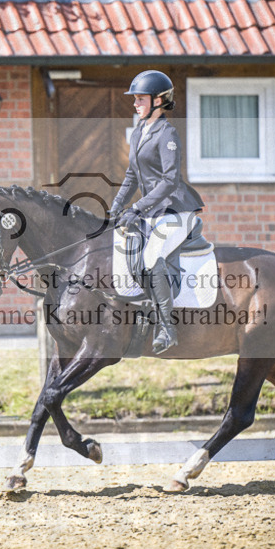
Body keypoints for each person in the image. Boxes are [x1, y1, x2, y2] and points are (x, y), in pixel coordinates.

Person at [109, 70, 204, 354]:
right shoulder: (139, 131)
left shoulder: (167, 134)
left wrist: (137, 208)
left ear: (159, 100)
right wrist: (115, 207)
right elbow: (132, 175)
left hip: (176, 209)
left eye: (140, 99)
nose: (135, 104)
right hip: (155, 211)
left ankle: (167, 328)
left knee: (152, 257)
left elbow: (169, 180)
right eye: (135, 99)